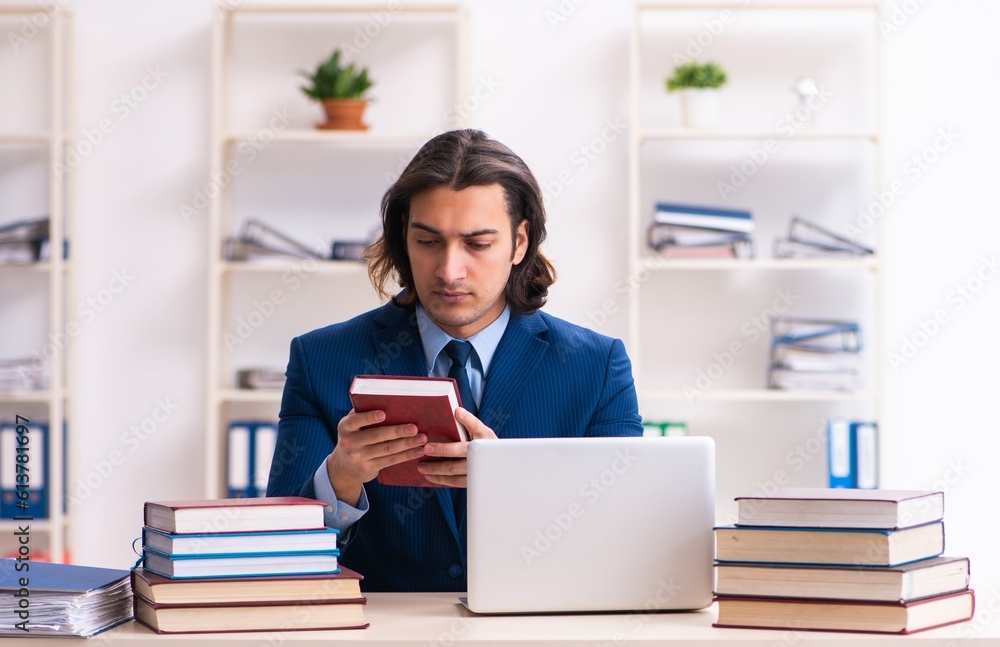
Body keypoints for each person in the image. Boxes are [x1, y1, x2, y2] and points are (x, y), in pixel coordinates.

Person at [267, 129, 642, 592]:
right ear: (403, 238)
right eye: (428, 241)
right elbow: (278, 554)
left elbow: (627, 538)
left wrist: (515, 484)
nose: (449, 271)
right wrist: (341, 477)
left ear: (519, 243)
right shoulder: (320, 358)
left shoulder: (598, 367)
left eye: (478, 244)